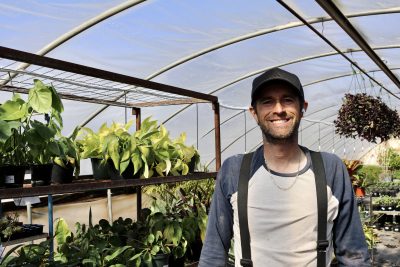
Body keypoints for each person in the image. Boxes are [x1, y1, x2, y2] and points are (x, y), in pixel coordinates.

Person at [199, 68, 370, 266]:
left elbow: (354, 256)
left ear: (302, 108)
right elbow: (213, 254)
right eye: (267, 101)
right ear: (254, 113)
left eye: (287, 99)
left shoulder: (330, 169)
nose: (278, 109)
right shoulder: (235, 170)